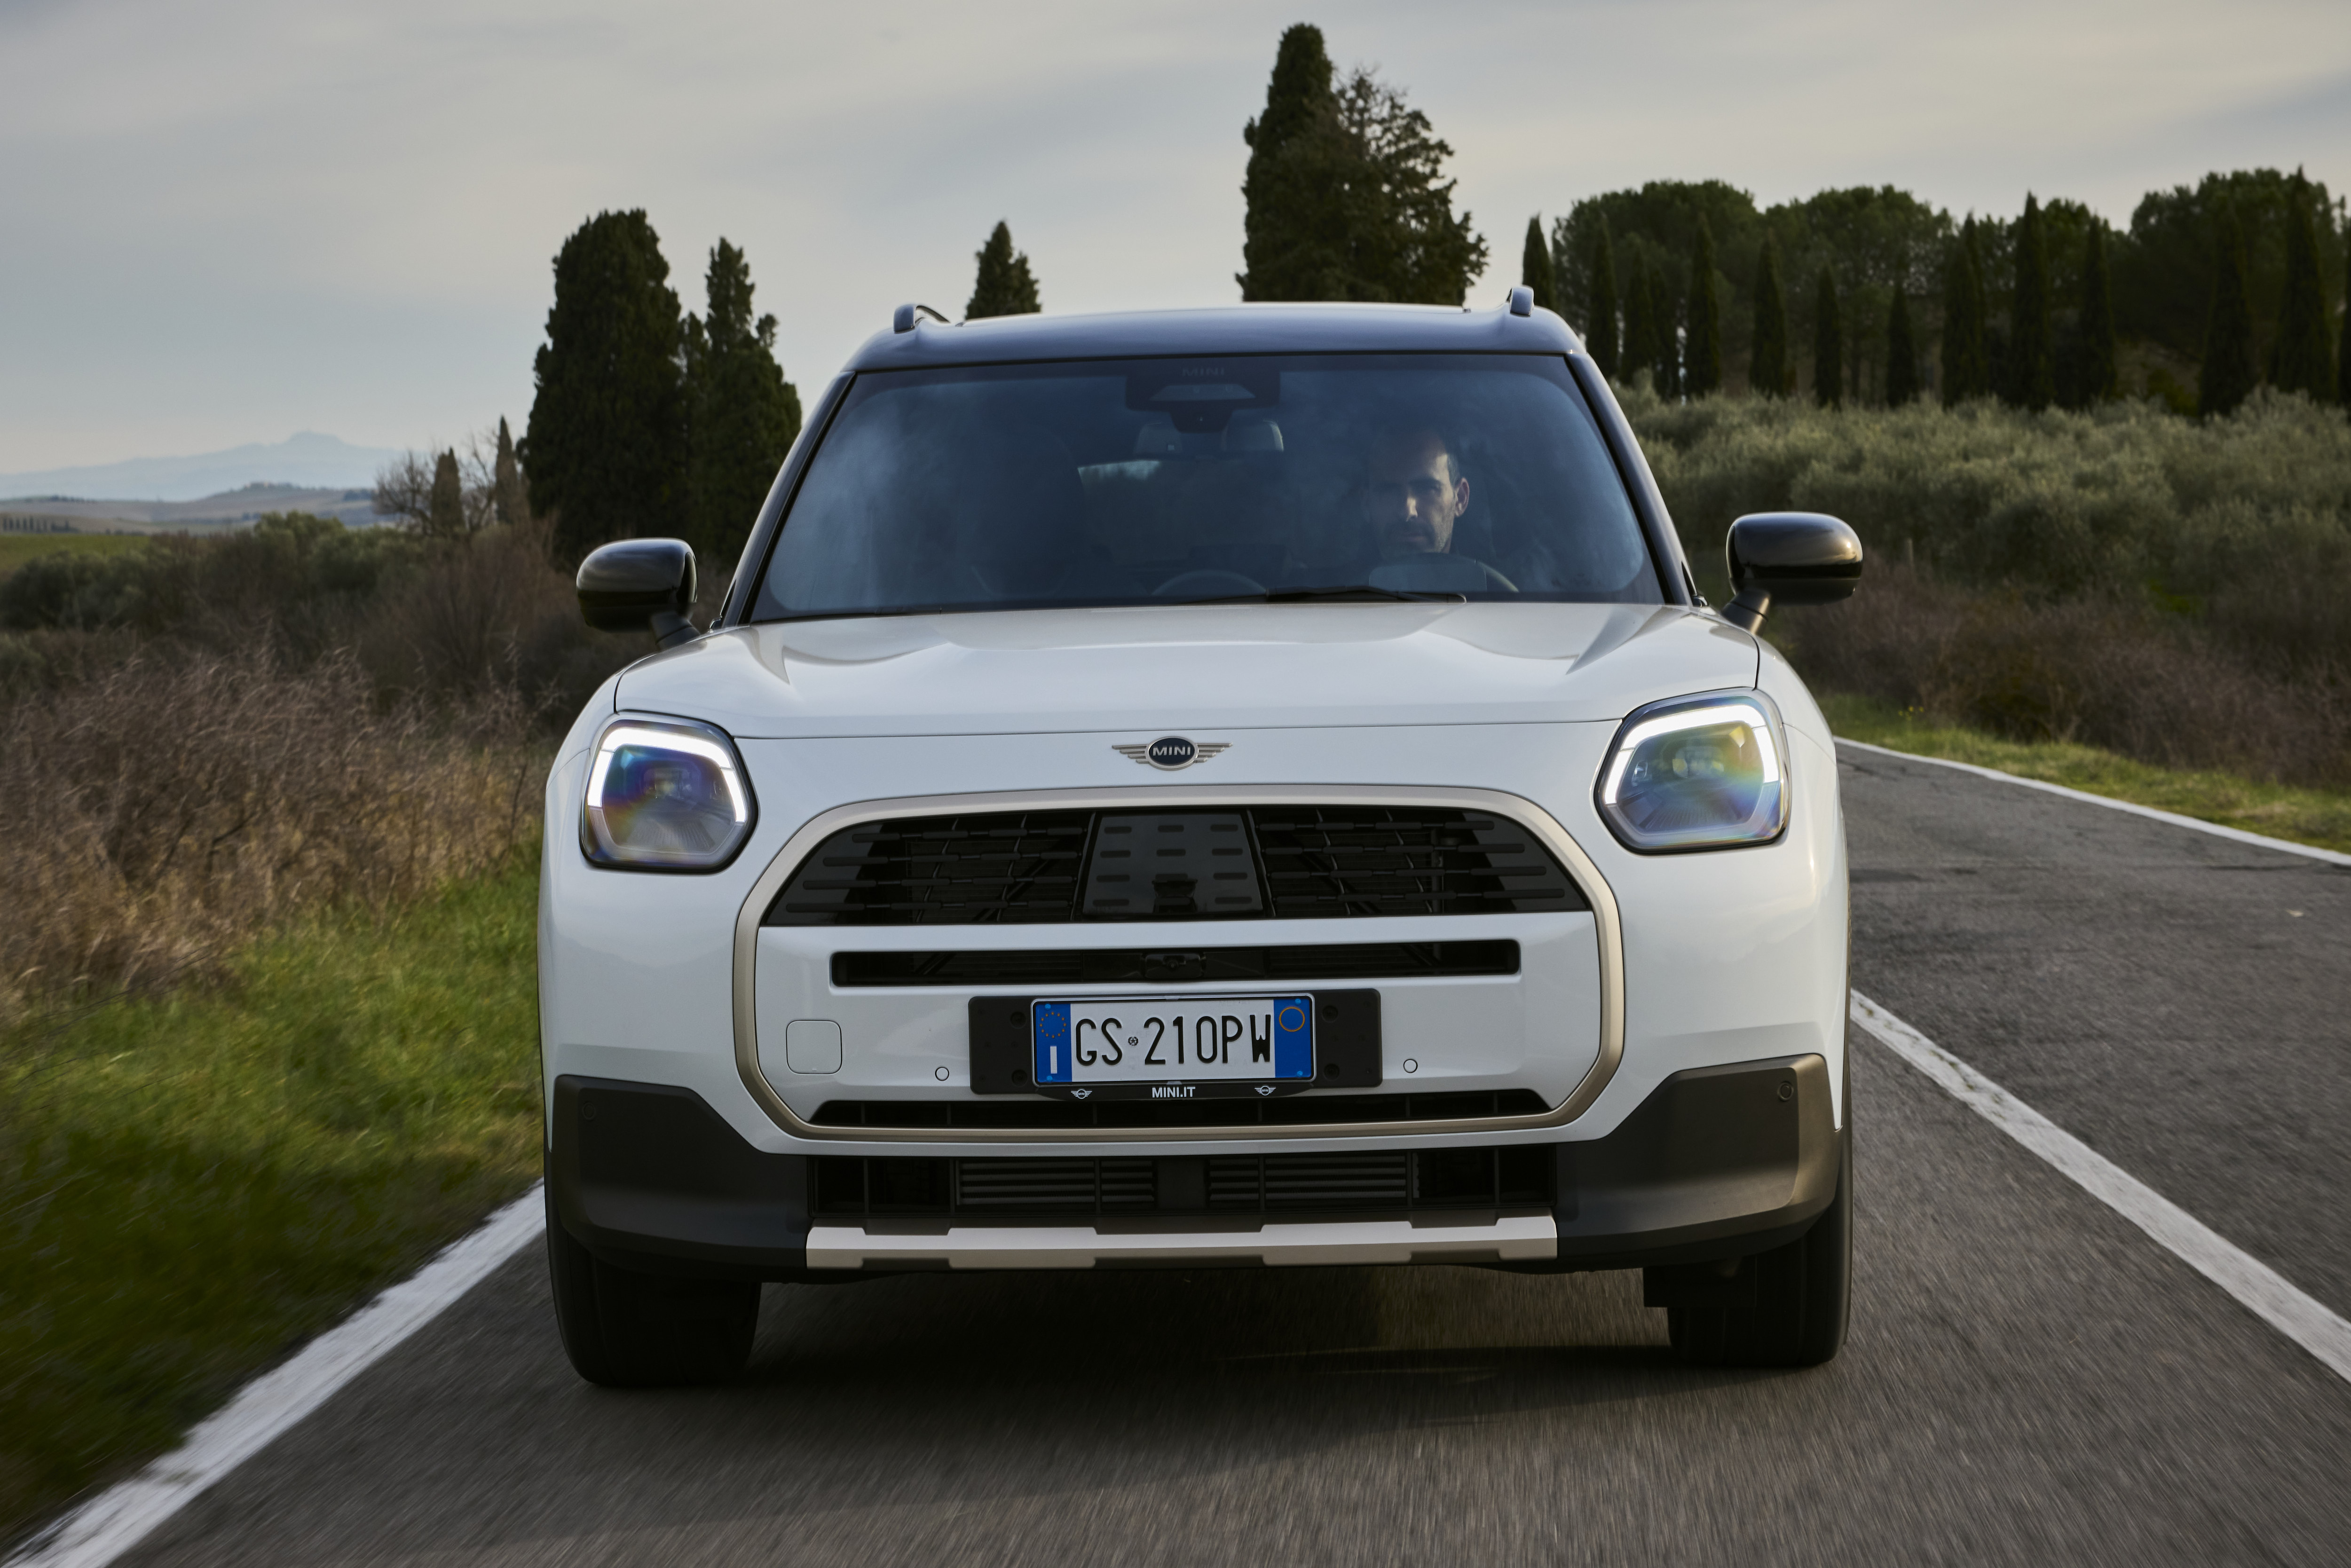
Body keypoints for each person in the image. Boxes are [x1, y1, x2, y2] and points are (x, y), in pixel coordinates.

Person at [1365, 426, 1469, 559]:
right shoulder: (1336, 576)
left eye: (1426, 489)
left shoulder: (1484, 574)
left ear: (1460, 498)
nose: (1407, 512)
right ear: (1366, 504)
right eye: (1388, 492)